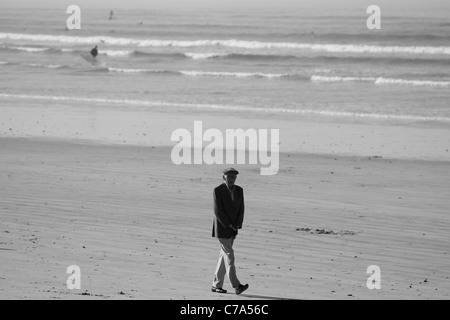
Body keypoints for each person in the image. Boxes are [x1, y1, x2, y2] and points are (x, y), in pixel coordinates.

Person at [211, 168, 249, 295]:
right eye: (229, 177)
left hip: (233, 230)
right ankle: (237, 285)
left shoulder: (239, 190)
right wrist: (229, 224)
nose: (231, 179)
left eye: (233, 177)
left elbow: (241, 209)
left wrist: (237, 225)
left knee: (224, 256)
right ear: (224, 178)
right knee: (230, 256)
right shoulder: (218, 190)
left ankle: (216, 285)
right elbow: (218, 211)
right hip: (222, 229)